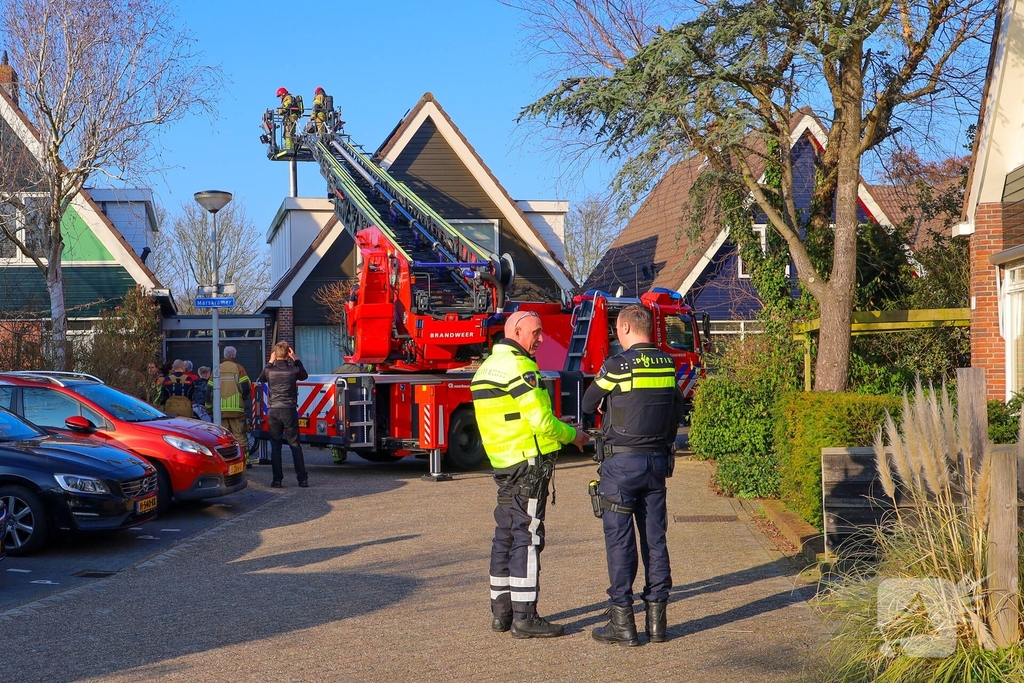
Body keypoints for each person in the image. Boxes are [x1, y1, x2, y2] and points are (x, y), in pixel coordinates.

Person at [471, 309, 589, 639]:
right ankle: (525, 617)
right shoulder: (521, 367)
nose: (540, 338)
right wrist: (574, 436)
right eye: (536, 332)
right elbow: (541, 423)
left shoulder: (485, 369)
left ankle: (502, 612)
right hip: (529, 465)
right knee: (528, 536)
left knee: (504, 535)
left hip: (504, 464)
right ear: (518, 331)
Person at [581, 304, 685, 646]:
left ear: (624, 329)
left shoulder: (617, 365)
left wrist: (605, 403)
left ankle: (622, 623)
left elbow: (587, 403)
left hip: (621, 467)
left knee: (621, 541)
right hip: (656, 464)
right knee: (655, 539)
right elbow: (676, 406)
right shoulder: (667, 364)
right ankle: (658, 623)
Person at [258, 341, 309, 488]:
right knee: (295, 445)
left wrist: (270, 361)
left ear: (275, 354)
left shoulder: (269, 370)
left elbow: (261, 379)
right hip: (289, 410)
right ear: (288, 353)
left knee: (275, 446)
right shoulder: (293, 370)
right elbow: (304, 375)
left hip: (274, 410)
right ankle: (302, 479)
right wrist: (296, 359)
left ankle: (277, 480)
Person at [214, 346, 253, 464]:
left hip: (220, 411)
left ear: (224, 355)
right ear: (234, 356)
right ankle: (244, 461)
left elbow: (209, 389)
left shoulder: (217, 368)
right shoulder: (238, 368)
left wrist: (210, 408)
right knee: (240, 436)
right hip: (237, 411)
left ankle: (226, 461)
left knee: (223, 438)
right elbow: (246, 387)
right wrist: (244, 398)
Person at [276, 87, 302, 151]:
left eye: (280, 95)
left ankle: (289, 147)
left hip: (290, 118)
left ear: (283, 93)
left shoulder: (288, 98)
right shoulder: (289, 97)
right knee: (289, 133)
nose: (280, 97)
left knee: (288, 133)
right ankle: (294, 144)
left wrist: (280, 111)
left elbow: (287, 106)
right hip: (292, 117)